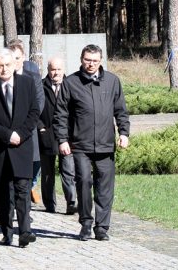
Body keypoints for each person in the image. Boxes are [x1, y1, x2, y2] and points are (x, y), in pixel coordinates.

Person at [53, 44, 130, 242]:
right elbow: (61, 114)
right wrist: (62, 140)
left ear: (101, 61)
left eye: (95, 61)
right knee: (84, 183)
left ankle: (102, 227)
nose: (91, 64)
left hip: (105, 145)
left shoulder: (112, 81)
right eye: (88, 60)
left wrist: (124, 133)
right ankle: (86, 223)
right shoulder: (71, 82)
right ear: (81, 59)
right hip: (80, 146)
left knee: (105, 188)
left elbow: (120, 110)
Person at [0, 48, 40, 247]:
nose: (3, 69)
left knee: (23, 190)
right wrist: (7, 135)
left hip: (22, 146)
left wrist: (20, 134)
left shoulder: (27, 83)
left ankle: (25, 231)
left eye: (7, 65)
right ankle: (7, 230)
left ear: (14, 65)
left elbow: (34, 111)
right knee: (3, 194)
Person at [37, 57, 77, 215]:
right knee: (47, 173)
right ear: (48, 70)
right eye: (53, 69)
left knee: (68, 170)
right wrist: (40, 127)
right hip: (46, 134)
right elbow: (34, 109)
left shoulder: (72, 86)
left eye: (59, 69)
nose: (56, 73)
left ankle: (71, 202)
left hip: (67, 136)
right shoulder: (40, 86)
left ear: (64, 69)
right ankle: (49, 204)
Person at [7, 41, 44, 204]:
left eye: (17, 58)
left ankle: (24, 205)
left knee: (30, 171)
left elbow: (39, 103)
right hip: (8, 132)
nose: (14, 62)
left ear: (23, 58)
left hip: (29, 131)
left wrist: (24, 125)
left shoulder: (33, 78)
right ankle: (14, 204)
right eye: (11, 58)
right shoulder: (1, 78)